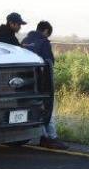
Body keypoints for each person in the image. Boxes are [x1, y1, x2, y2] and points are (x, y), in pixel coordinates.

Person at [22, 21, 68, 150]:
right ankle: (51, 138)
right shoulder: (44, 43)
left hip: (24, 83)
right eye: (48, 34)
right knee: (48, 109)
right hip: (41, 82)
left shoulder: (25, 41)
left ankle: (43, 135)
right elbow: (49, 63)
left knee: (35, 108)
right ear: (46, 31)